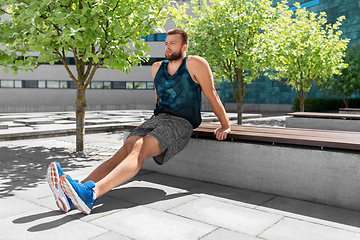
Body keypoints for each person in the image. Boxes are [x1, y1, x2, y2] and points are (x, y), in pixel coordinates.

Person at [47, 29, 231, 214]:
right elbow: (159, 99)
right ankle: (73, 196)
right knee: (127, 147)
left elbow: (211, 94)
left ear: (184, 46)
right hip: (158, 119)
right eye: (166, 43)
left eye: (172, 43)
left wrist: (225, 124)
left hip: (181, 122)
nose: (167, 47)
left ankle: (91, 194)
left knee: (140, 147)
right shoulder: (157, 67)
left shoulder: (195, 63)